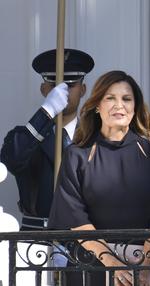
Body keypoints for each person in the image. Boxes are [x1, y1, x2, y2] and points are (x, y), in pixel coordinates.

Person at [48, 70, 150, 286]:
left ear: (135, 107)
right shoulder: (77, 155)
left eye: (127, 99)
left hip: (144, 274)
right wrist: (111, 263)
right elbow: (74, 217)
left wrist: (143, 266)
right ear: (97, 105)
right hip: (91, 272)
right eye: (111, 98)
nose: (120, 105)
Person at [1, 48, 93, 230]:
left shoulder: (94, 138)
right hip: (37, 240)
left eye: (70, 84)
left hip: (83, 241)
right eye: (55, 85)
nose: (63, 91)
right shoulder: (24, 136)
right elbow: (11, 161)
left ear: (82, 89)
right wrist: (46, 112)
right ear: (44, 90)